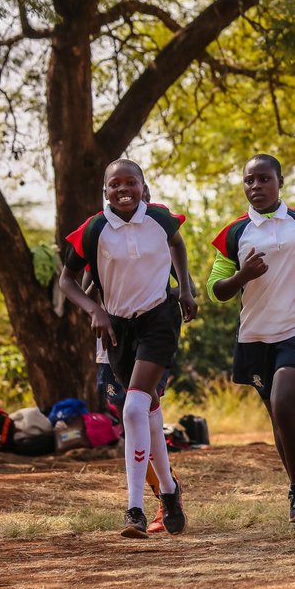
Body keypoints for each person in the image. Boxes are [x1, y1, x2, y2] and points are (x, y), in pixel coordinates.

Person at [60, 158, 194, 538]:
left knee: (135, 406)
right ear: (105, 191)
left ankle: (134, 508)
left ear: (143, 186)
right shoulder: (94, 229)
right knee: (146, 413)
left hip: (158, 319)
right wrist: (94, 310)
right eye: (115, 185)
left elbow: (177, 245)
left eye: (130, 183)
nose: (123, 190)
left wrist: (185, 287)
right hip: (117, 328)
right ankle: (169, 491)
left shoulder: (160, 218)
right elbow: (66, 280)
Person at [208, 154, 295, 532]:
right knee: (278, 416)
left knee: (284, 400)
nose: (256, 186)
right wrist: (243, 274)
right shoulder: (234, 233)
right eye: (249, 180)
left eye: (264, 179)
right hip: (256, 335)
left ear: (280, 182)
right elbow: (217, 289)